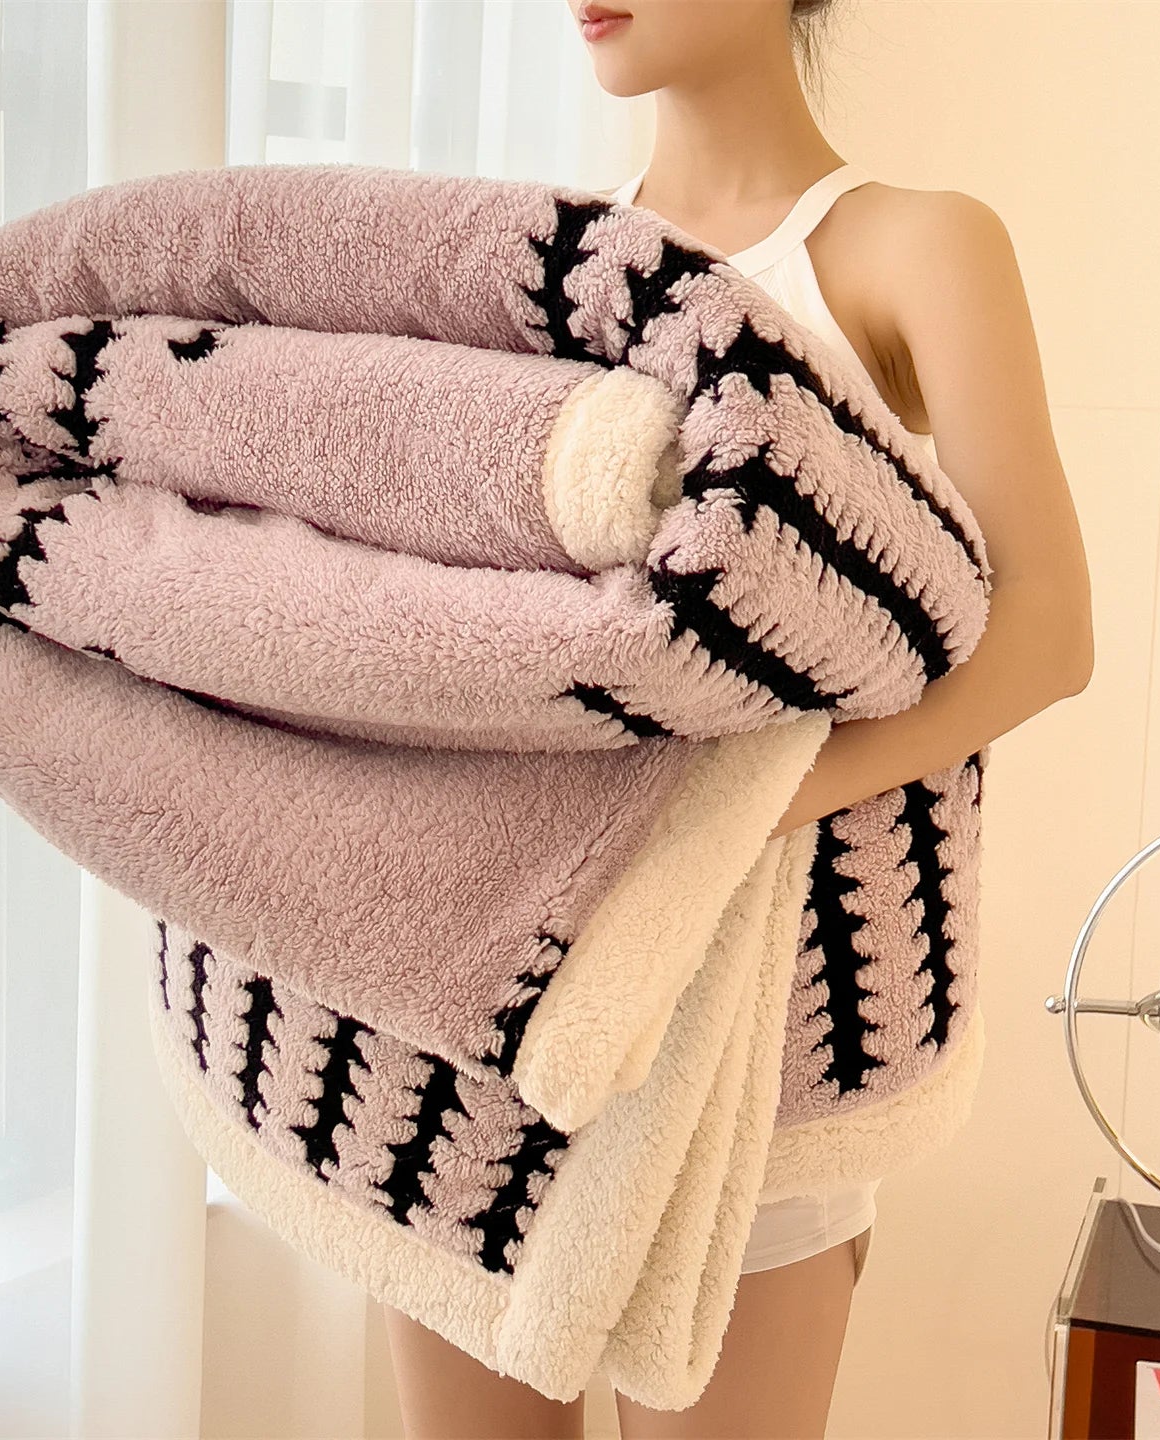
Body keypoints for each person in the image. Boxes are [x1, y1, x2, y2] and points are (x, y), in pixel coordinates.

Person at [384, 1, 1095, 1436]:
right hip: (496, 1030)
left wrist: (733, 811)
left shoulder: (912, 245)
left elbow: (1046, 631)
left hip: (757, 1054)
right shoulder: (559, 258)